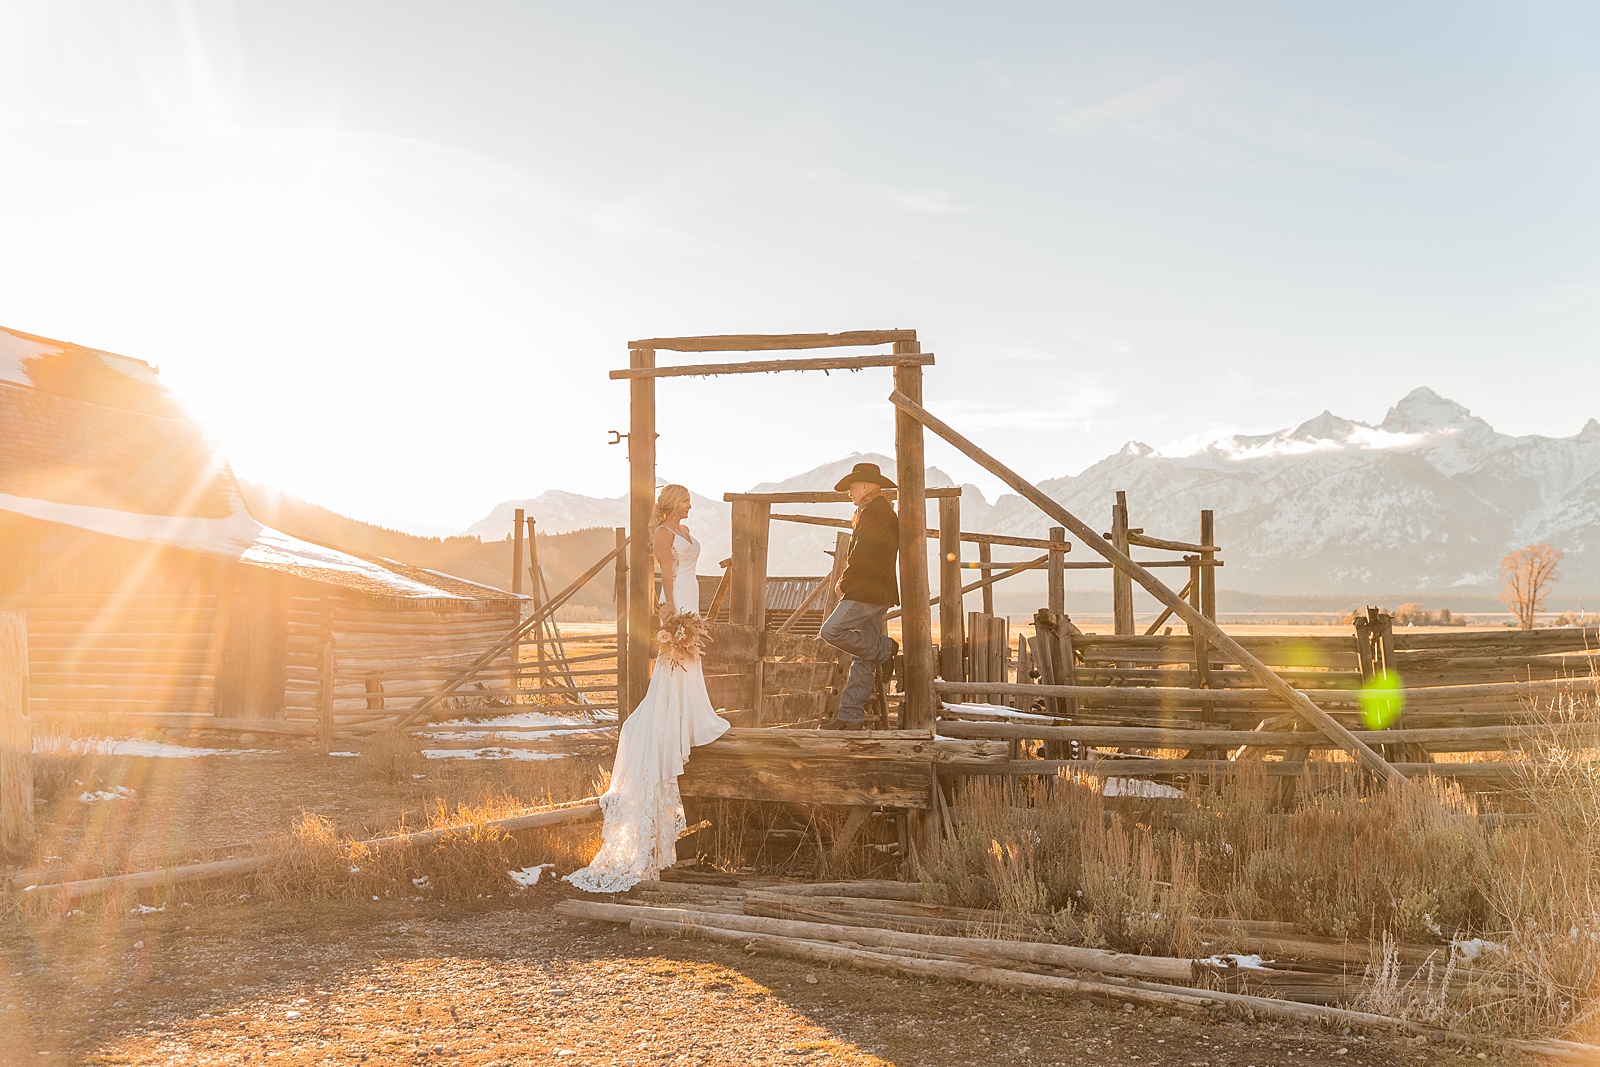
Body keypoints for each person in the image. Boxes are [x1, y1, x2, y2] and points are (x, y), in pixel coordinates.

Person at [565, 484, 729, 893]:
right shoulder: (663, 534)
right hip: (677, 599)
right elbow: (667, 573)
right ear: (673, 503)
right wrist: (670, 610)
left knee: (691, 660)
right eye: (687, 499)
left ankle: (694, 716)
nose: (691, 504)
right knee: (677, 658)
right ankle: (674, 720)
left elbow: (686, 569)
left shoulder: (686, 533)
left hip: (691, 594)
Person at [817, 462, 900, 731]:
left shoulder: (875, 512)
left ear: (865, 485)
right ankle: (851, 715)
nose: (849, 494)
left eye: (852, 488)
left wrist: (845, 582)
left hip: (868, 589)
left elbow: (863, 553)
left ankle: (886, 649)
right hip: (877, 590)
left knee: (831, 631)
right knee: (862, 657)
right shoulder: (878, 509)